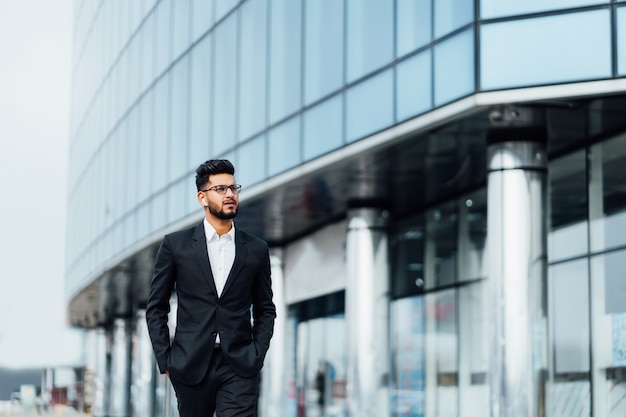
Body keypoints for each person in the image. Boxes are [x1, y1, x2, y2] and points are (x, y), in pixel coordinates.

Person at [146, 159, 276, 417]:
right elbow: (156, 307)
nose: (230, 194)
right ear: (202, 198)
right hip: (190, 365)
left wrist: (257, 353)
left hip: (239, 366)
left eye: (233, 188)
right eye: (220, 189)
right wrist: (166, 360)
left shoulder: (256, 249)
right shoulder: (176, 245)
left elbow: (265, 309)